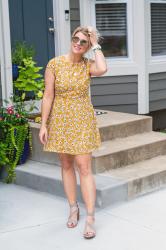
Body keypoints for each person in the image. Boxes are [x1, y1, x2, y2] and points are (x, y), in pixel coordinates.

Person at [39, 26, 107, 239]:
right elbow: (48, 95)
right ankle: (73, 208)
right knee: (66, 164)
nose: (78, 43)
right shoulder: (55, 64)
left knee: (84, 167)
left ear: (87, 47)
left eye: (83, 42)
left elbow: (103, 68)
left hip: (82, 119)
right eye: (75, 39)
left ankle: (90, 218)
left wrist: (95, 43)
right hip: (60, 120)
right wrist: (43, 124)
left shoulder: (88, 65)